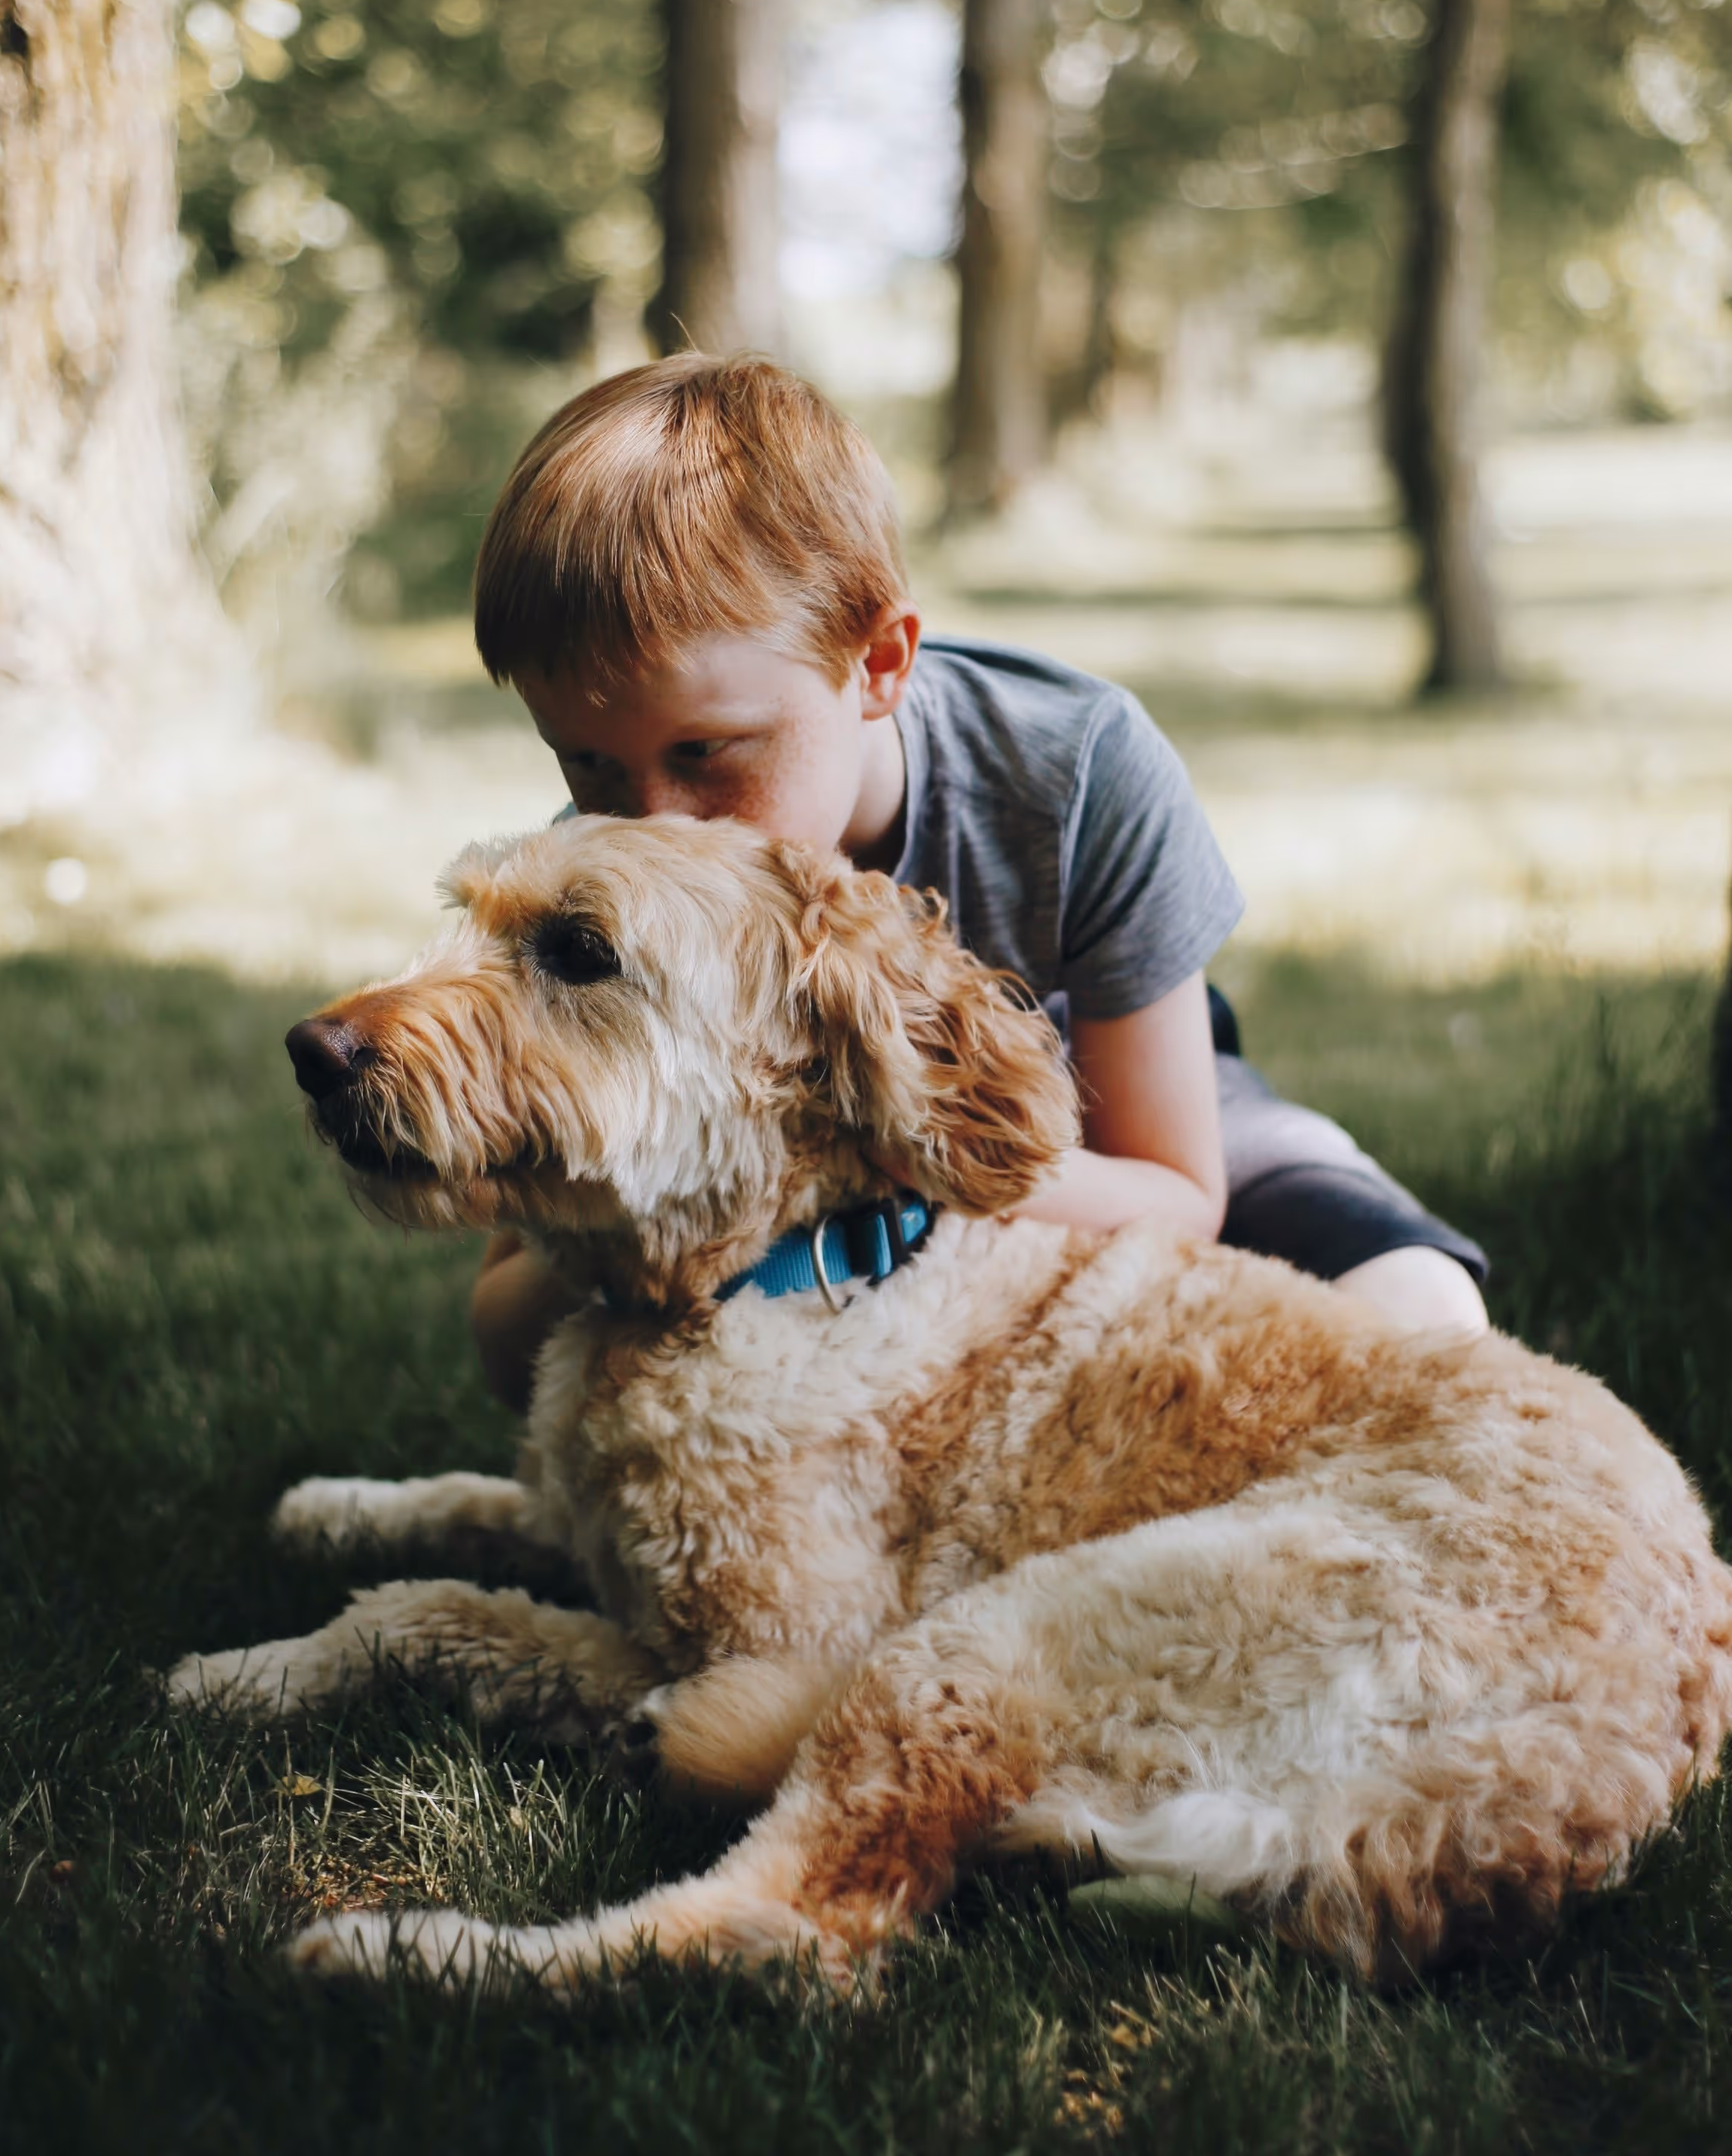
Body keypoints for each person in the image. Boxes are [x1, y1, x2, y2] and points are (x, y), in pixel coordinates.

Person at [466, 352, 1488, 1410]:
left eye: (706, 753)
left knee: (1426, 1311)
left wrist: (902, 1151)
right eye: (586, 764)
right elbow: (505, 1336)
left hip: (1100, 1117)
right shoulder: (595, 904)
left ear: (878, 664)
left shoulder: (1075, 771)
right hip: (770, 1212)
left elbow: (1178, 1193)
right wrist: (632, 1208)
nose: (651, 826)